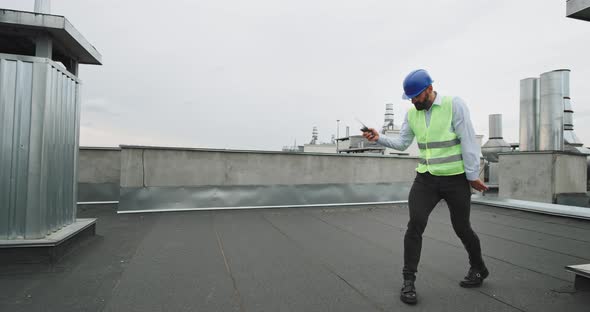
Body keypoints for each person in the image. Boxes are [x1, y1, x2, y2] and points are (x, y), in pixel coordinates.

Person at [362, 69, 490, 305]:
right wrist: (378, 137)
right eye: (409, 97)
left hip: (455, 179)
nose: (413, 101)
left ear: (430, 89)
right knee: (415, 225)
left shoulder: (454, 105)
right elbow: (402, 143)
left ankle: (479, 267)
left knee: (462, 228)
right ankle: (408, 281)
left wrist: (472, 176)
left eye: (416, 96)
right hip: (426, 179)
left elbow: (469, 142)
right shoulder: (412, 114)